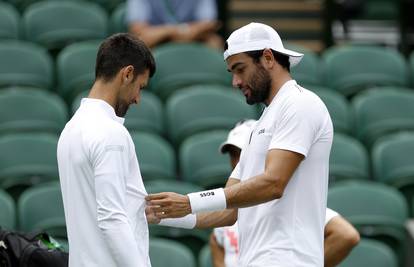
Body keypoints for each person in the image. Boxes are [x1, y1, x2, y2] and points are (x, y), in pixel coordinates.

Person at [146, 22, 334, 266]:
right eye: (232, 72)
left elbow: (274, 183)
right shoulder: (260, 126)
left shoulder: (300, 104)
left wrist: (190, 201)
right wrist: (160, 215)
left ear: (268, 58)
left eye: (240, 69)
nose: (235, 81)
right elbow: (228, 211)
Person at [57, 33, 156, 267]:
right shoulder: (110, 132)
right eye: (139, 87)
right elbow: (112, 219)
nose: (137, 99)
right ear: (127, 74)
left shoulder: (70, 130)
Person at [210, 120, 360, 267]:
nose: (238, 162)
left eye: (244, 154)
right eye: (233, 155)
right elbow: (217, 241)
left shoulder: (290, 201)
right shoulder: (224, 215)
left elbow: (346, 235)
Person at [126, 0, 223, 49]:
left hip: (194, 38)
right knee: (140, 43)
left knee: (214, 41)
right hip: (157, 41)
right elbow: (138, 31)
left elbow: (209, 24)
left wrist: (176, 33)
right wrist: (178, 31)